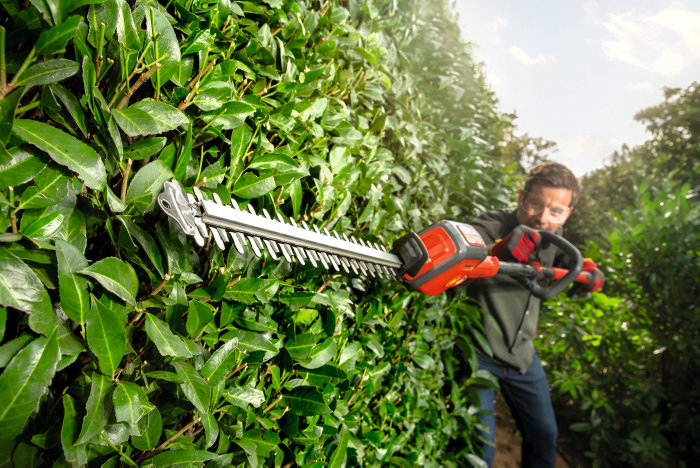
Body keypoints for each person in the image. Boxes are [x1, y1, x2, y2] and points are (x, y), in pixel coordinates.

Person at [464, 162, 603, 467]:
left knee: (544, 436)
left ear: (568, 213)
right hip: (480, 352)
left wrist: (589, 272)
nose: (542, 218)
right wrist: (496, 250)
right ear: (521, 197)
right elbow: (459, 251)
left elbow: (574, 261)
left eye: (556, 211)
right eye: (535, 204)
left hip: (522, 355)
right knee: (481, 453)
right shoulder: (495, 223)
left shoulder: (555, 236)